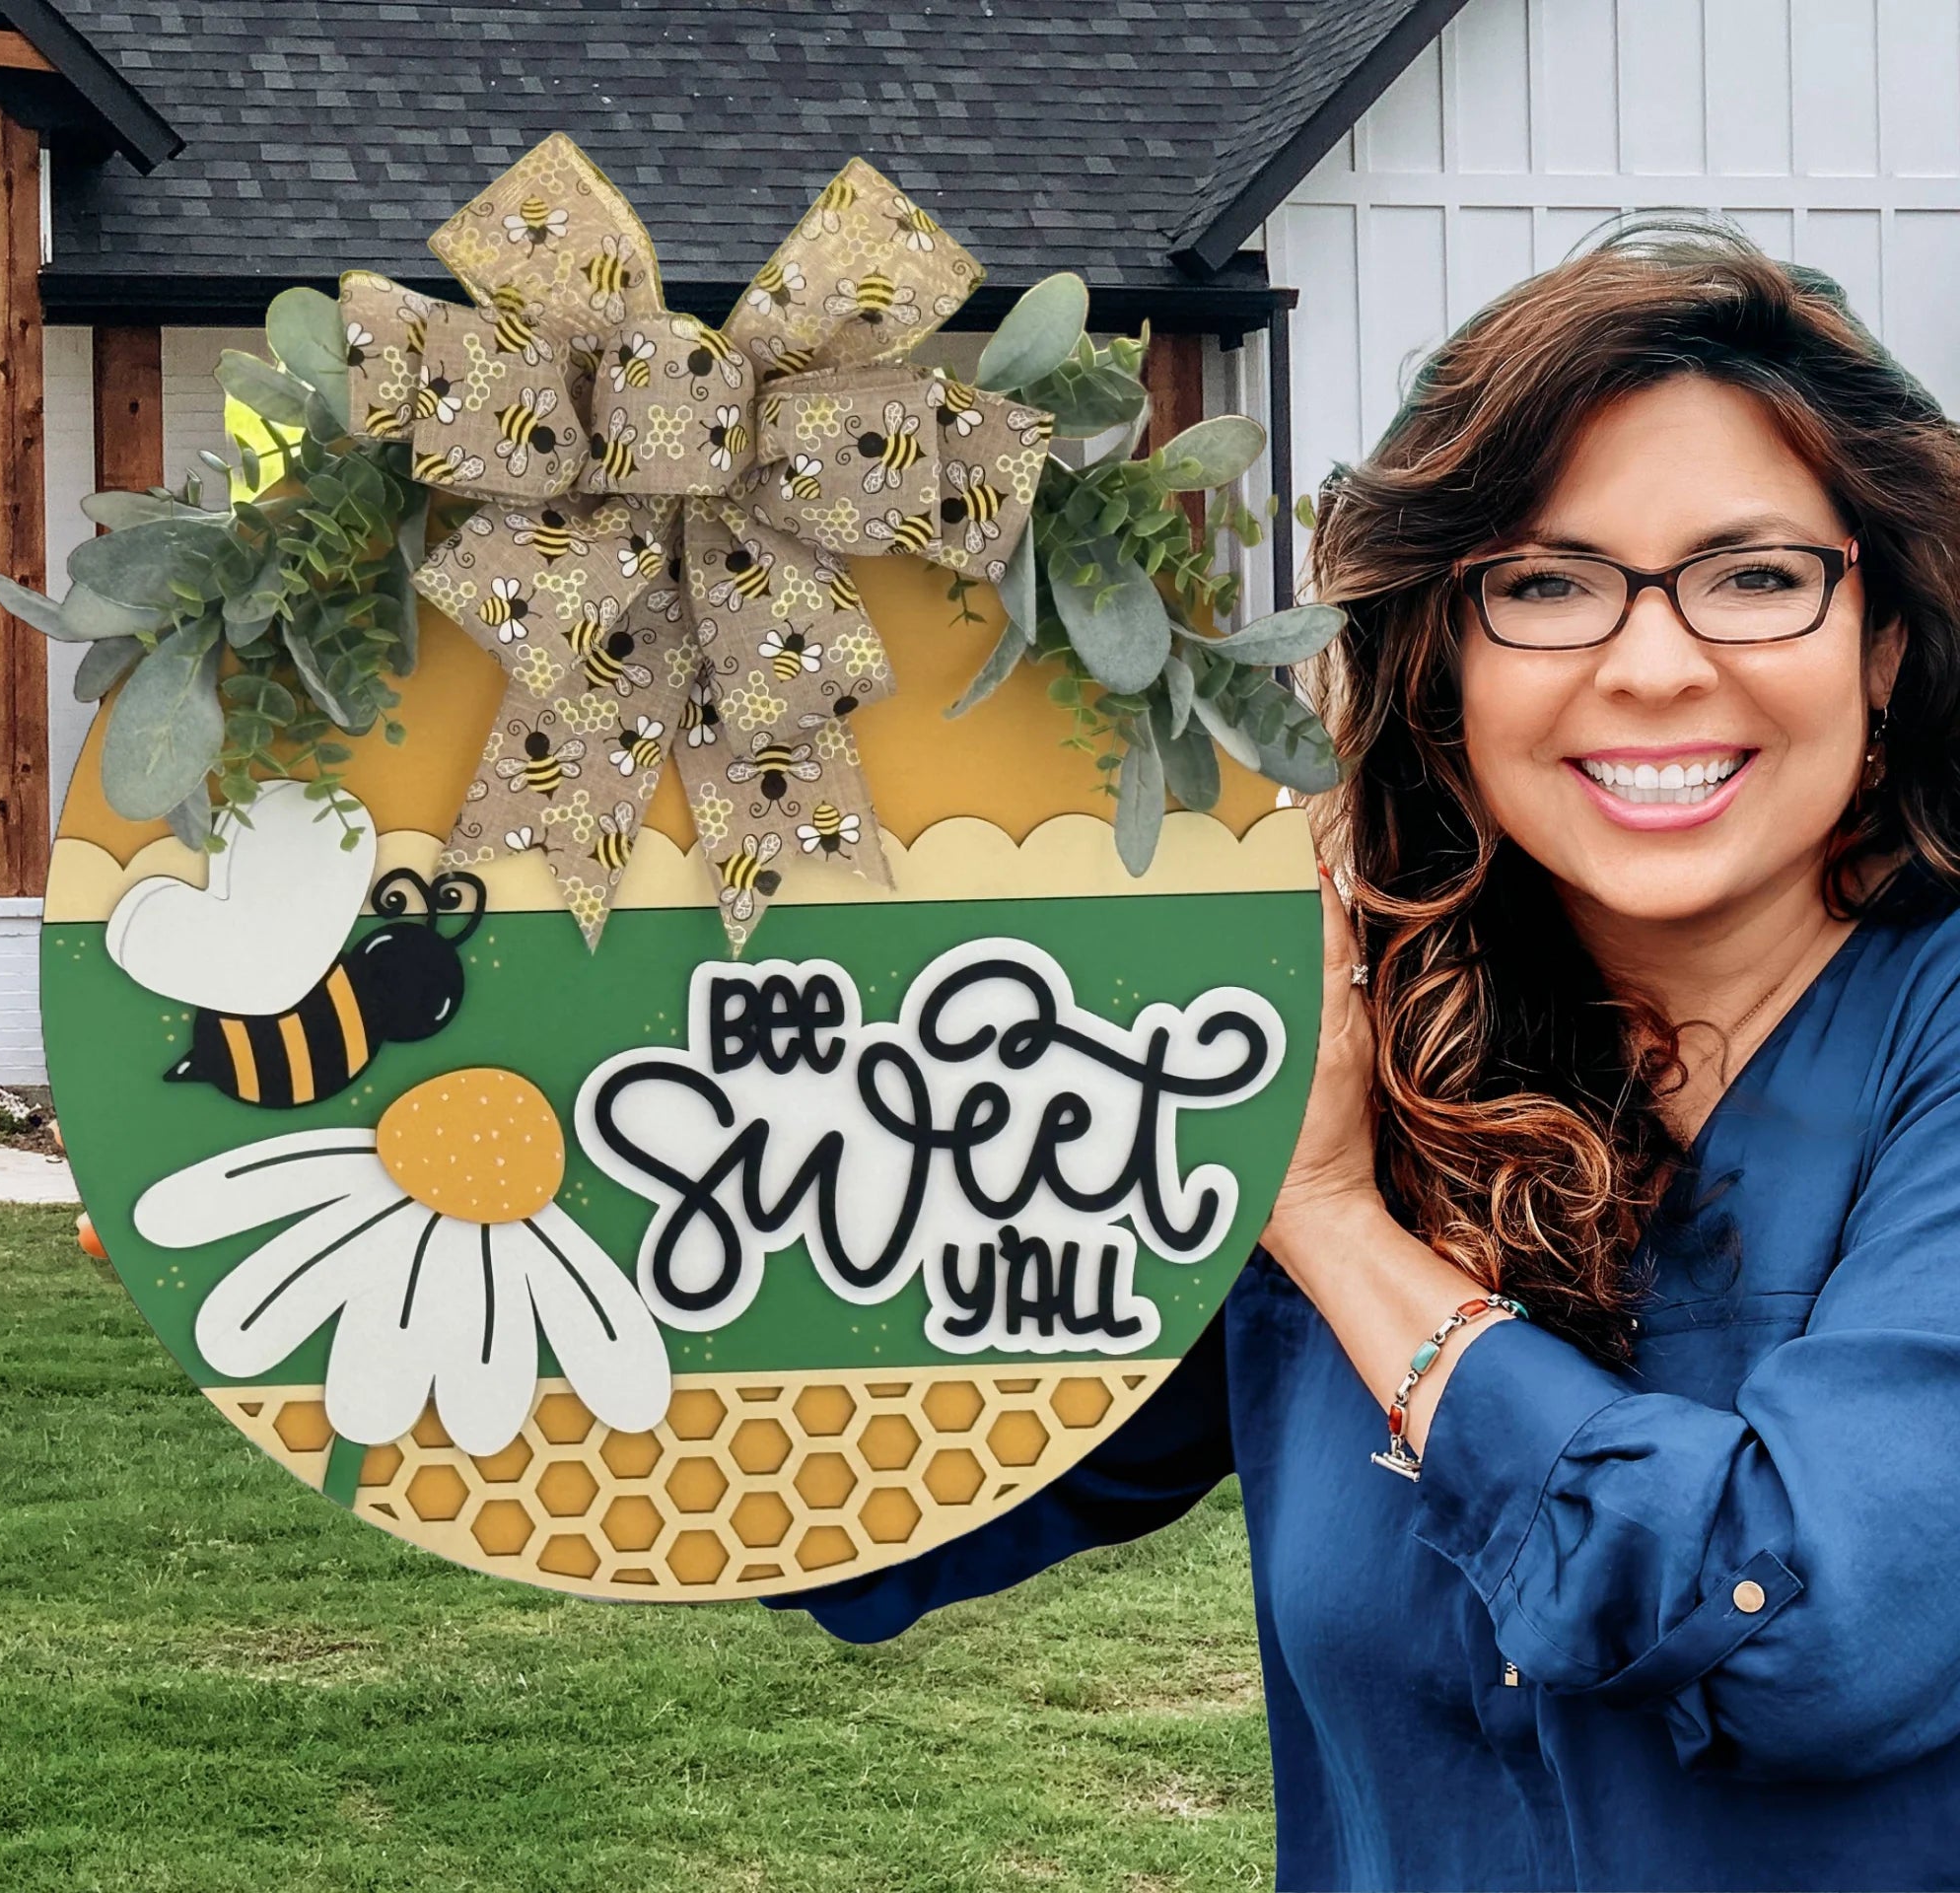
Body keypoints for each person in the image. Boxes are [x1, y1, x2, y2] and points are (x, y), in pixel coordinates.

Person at [777, 226, 1960, 1890]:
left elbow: (1814, 1632)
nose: (1651, 663)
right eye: (1543, 585)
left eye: (1755, 575)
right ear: (1446, 666)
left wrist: (1337, 1226)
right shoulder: (1347, 1039)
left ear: (1885, 643)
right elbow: (882, 1491)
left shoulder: (1928, 1050)